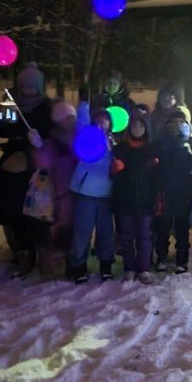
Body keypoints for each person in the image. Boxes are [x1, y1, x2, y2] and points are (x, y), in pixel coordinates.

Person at [0, 61, 53, 278]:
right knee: (15, 204)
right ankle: (23, 248)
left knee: (39, 206)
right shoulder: (11, 104)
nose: (28, 91)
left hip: (40, 160)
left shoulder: (47, 106)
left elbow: (53, 131)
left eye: (32, 87)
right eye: (24, 86)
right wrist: (18, 131)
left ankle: (42, 247)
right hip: (16, 157)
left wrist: (40, 138)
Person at [111, 108, 160, 284]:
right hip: (125, 199)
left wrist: (157, 197)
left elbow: (156, 177)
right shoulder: (120, 149)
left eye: (141, 124)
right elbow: (114, 177)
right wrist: (116, 171)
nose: (137, 128)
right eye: (134, 124)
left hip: (145, 199)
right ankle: (129, 268)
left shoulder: (151, 149)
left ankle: (144, 268)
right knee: (126, 236)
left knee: (144, 236)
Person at [32, 100, 81, 271]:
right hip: (59, 190)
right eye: (66, 118)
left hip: (78, 189)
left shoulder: (79, 136)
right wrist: (39, 147)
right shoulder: (52, 142)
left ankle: (74, 260)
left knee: (76, 225)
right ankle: (57, 259)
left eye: (72, 117)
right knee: (61, 224)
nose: (70, 121)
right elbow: (43, 163)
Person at [68, 108, 115, 284]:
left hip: (106, 194)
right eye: (99, 119)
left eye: (106, 120)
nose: (102, 122)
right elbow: (81, 120)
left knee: (106, 232)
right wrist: (83, 101)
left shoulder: (114, 141)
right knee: (82, 231)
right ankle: (79, 266)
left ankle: (106, 265)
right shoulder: (87, 135)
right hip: (86, 192)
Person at [155, 114, 192, 274]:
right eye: (174, 122)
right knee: (163, 227)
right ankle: (161, 258)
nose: (177, 125)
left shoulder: (191, 142)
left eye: (181, 122)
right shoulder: (161, 143)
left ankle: (182, 260)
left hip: (184, 191)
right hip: (165, 190)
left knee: (182, 227)